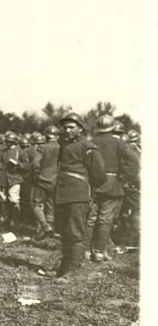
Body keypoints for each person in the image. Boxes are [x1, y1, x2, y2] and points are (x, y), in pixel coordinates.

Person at [53, 112, 106, 281]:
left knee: (76, 233)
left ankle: (73, 271)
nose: (67, 130)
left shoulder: (88, 147)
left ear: (80, 129)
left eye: (71, 127)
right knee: (64, 231)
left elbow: (98, 175)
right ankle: (63, 268)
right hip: (62, 194)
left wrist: (87, 190)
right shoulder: (65, 146)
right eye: (65, 127)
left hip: (78, 194)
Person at [86, 115, 139, 262]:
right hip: (113, 184)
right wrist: (124, 178)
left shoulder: (89, 142)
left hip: (93, 184)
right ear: (112, 127)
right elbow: (134, 162)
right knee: (105, 219)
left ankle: (84, 250)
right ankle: (99, 252)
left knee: (90, 218)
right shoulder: (119, 143)